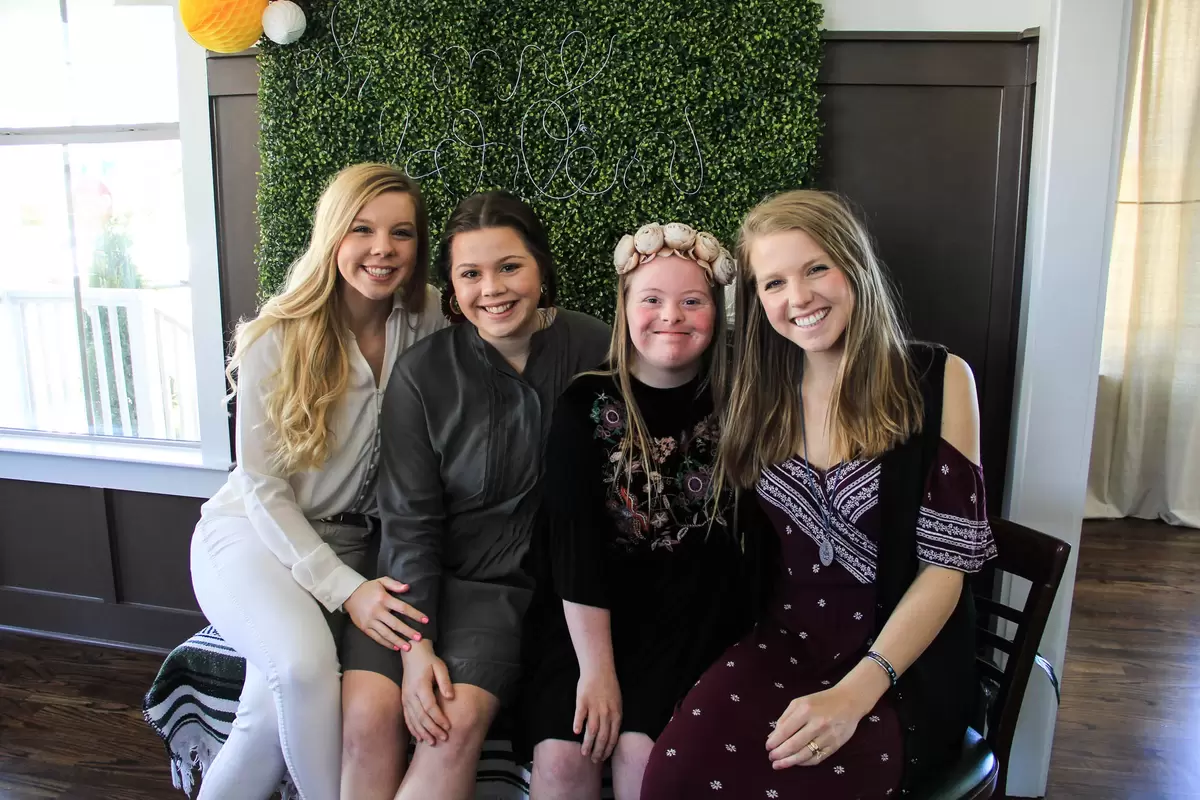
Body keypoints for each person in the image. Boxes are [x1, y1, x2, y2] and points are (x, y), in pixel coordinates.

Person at [639, 190, 999, 798]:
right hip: (779, 645)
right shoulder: (755, 393)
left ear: (853, 267)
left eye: (815, 269)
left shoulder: (939, 380)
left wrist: (858, 690)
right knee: (670, 779)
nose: (797, 298)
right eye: (773, 283)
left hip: (902, 667)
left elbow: (946, 573)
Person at [338, 191, 611, 800]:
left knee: (448, 728)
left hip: (507, 589)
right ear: (452, 289)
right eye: (470, 274)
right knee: (366, 721)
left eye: (509, 266)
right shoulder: (421, 372)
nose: (493, 289)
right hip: (412, 580)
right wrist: (415, 650)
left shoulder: (597, 350)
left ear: (541, 268)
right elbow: (409, 524)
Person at [189, 163, 446, 800]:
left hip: (355, 542)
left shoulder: (429, 316)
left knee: (263, 722)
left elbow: (506, 317)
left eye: (402, 233)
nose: (383, 249)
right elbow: (261, 487)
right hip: (252, 537)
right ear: (333, 236)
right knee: (303, 669)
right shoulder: (276, 337)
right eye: (363, 229)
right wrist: (347, 591)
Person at [517, 223, 750, 799]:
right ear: (624, 310)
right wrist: (596, 672)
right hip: (585, 616)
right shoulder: (584, 405)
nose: (671, 315)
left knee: (644, 756)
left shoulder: (743, 402)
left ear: (715, 312)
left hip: (692, 618)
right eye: (651, 299)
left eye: (692, 301)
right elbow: (572, 548)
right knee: (564, 757)